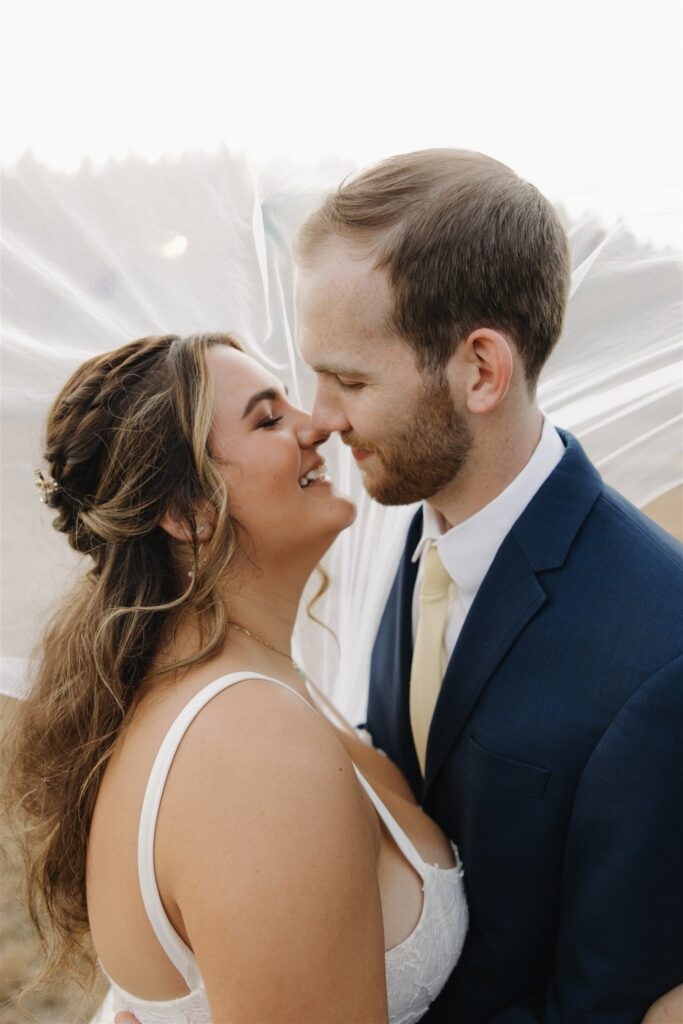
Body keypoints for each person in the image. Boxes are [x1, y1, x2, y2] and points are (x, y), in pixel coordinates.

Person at [292, 149, 683, 1023]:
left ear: (479, 371)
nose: (318, 417)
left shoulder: (663, 651)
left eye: (350, 380)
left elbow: (599, 1008)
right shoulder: (410, 528)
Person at [5, 332, 467, 1024]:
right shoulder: (247, 746)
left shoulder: (246, 689)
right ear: (186, 512)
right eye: (269, 418)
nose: (318, 425)